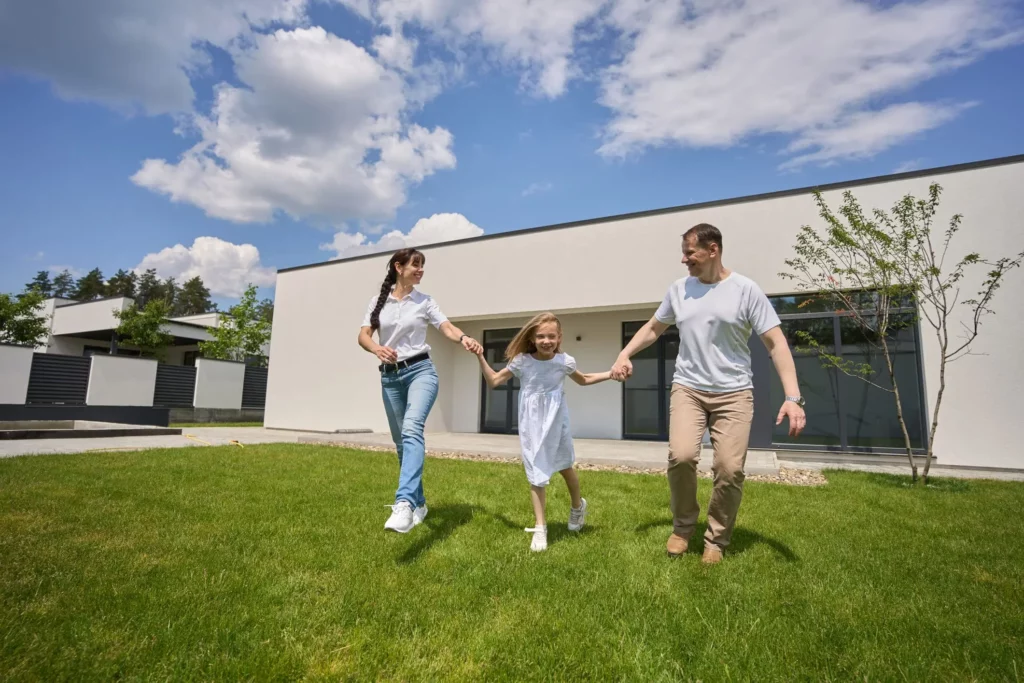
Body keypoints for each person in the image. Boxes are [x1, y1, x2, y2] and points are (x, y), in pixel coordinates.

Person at [611, 223, 806, 564]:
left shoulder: (746, 290)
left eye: (690, 253)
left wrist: (792, 398)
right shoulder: (679, 290)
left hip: (734, 393)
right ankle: (683, 527)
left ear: (713, 250)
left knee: (729, 470)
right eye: (684, 253)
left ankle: (715, 539)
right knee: (682, 457)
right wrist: (625, 353)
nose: (685, 260)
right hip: (689, 388)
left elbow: (776, 343)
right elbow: (654, 328)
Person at [358, 248, 483, 534]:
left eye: (423, 266)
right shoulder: (378, 302)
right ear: (398, 267)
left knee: (412, 429)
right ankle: (420, 503)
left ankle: (403, 503)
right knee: (403, 445)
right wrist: (377, 348)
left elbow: (446, 326)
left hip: (421, 372)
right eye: (416, 265)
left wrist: (463, 338)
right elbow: (363, 335)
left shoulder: (425, 301)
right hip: (390, 378)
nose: (421, 270)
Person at [476, 312, 613, 552]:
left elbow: (584, 379)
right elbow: (494, 381)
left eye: (551, 336)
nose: (546, 341)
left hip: (556, 422)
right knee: (535, 473)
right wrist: (480, 355)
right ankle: (540, 528)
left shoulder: (564, 362)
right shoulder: (522, 362)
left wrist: (611, 374)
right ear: (532, 338)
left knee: (565, 466)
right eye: (541, 336)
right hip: (531, 424)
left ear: (559, 338)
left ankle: (577, 507)